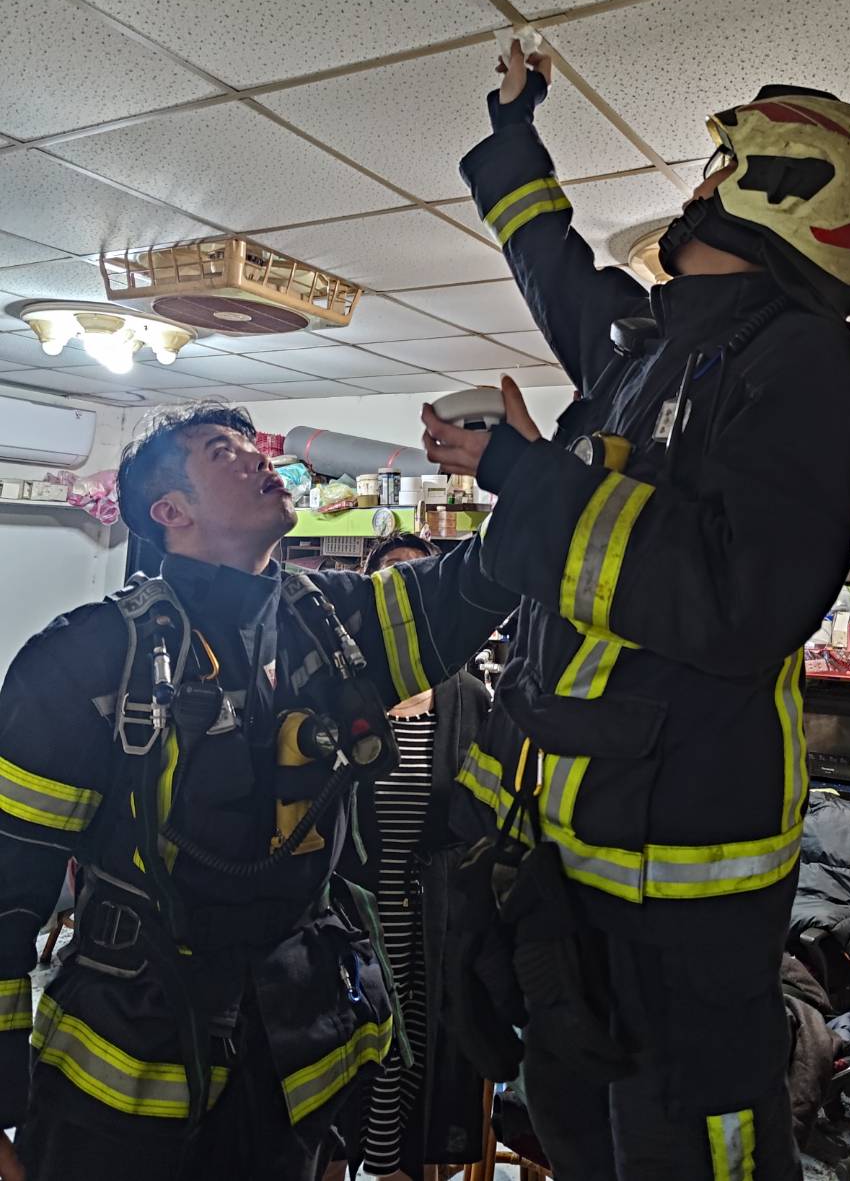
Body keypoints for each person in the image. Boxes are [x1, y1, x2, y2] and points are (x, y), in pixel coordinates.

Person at [419, 44, 850, 1181]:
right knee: (573, 1121)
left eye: (723, 169)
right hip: (573, 850)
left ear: (782, 198)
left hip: (680, 875)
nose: (701, 184)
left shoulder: (805, 364)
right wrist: (514, 132)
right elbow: (550, 263)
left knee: (692, 1139)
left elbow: (735, 603)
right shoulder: (647, 349)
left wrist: (526, 476)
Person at [0, 404, 516, 1181]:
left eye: (252, 445)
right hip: (124, 1082)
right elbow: (7, 892)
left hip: (295, 1063)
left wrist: (527, 476)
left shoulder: (333, 625)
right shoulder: (86, 659)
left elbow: (482, 578)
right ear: (170, 511)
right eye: (222, 452)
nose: (258, 458)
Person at [326, 532, 492, 1181]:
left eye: (423, 579)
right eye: (393, 581)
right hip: (350, 921)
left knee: (423, 1076)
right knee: (340, 1080)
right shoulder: (337, 691)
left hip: (434, 925)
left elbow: (484, 817)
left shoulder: (468, 698)